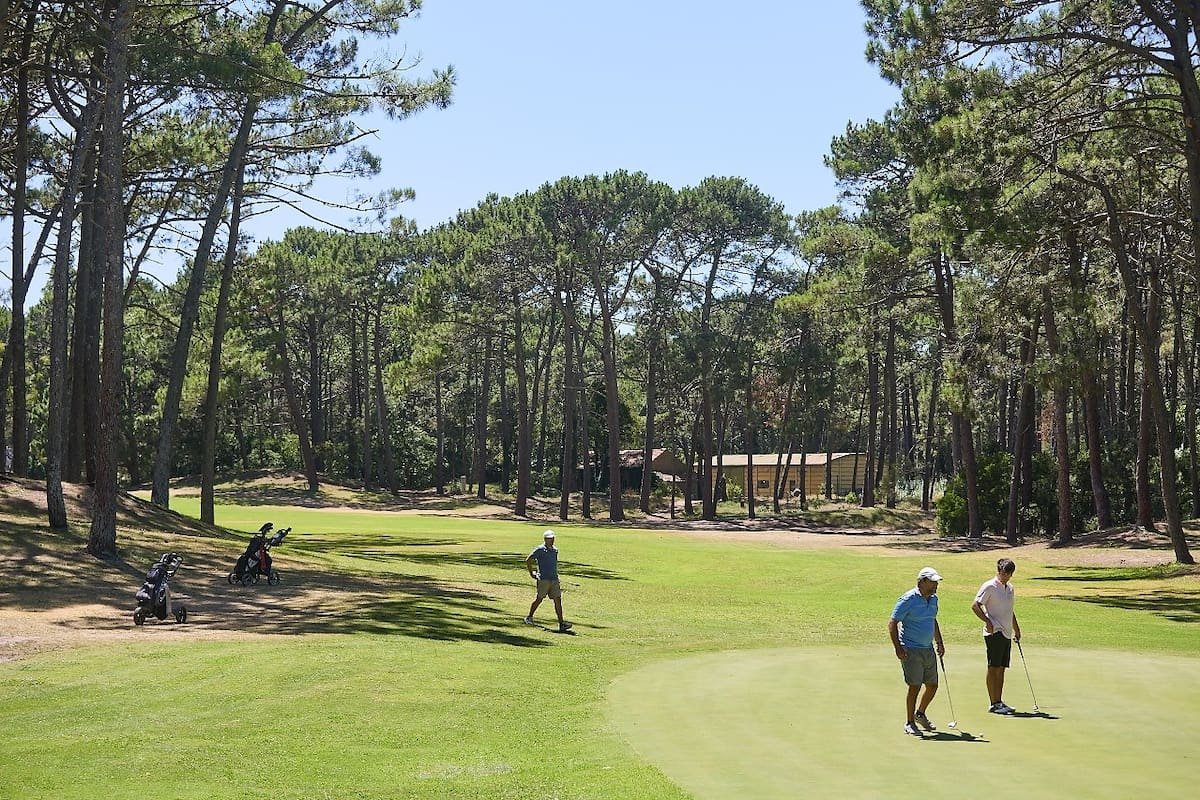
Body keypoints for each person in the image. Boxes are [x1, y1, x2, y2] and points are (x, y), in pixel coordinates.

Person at [888, 566, 946, 736]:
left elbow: (932, 620)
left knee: (933, 686)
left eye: (936, 582)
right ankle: (910, 722)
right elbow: (892, 623)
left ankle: (920, 714)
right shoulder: (908, 599)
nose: (936, 585)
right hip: (911, 649)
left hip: (928, 649)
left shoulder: (934, 599)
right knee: (915, 686)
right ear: (922, 582)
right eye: (933, 582)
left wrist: (939, 641)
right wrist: (898, 647)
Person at [971, 557, 1021, 714]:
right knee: (993, 667)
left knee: (1001, 669)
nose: (1006, 576)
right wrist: (987, 621)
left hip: (1006, 632)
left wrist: (1016, 629)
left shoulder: (1010, 588)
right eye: (1004, 573)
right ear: (998, 571)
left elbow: (1009, 611)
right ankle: (994, 703)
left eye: (1009, 574)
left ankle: (999, 702)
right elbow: (975, 605)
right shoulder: (989, 586)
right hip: (994, 632)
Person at [524, 530, 572, 632]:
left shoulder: (555, 550)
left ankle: (561, 623)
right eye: (550, 538)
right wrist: (532, 573)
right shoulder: (540, 550)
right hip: (543, 580)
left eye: (553, 538)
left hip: (554, 579)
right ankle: (529, 617)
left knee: (558, 599)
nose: (552, 540)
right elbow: (528, 559)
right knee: (539, 599)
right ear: (545, 539)